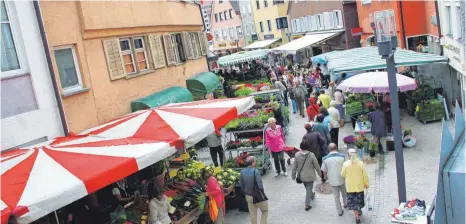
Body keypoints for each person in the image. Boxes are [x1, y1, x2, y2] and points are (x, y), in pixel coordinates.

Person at [292, 140, 322, 211]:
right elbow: (316, 165)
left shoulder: (297, 155)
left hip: (301, 176)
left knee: (307, 187)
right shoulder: (311, 155)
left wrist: (293, 175)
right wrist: (320, 174)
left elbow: (294, 167)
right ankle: (307, 204)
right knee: (309, 188)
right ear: (308, 147)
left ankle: (311, 194)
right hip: (310, 176)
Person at [341, 148, 369, 224]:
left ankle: (357, 217)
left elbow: (342, 174)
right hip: (359, 187)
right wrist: (367, 184)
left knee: (353, 203)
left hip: (350, 187)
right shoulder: (361, 163)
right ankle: (359, 210)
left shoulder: (345, 164)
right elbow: (365, 176)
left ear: (348, 155)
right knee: (359, 200)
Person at [239, 156, 268, 224]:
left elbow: (242, 186)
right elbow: (260, 186)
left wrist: (245, 194)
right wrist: (262, 194)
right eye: (254, 161)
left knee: (253, 214)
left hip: (248, 196)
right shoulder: (256, 171)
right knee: (265, 211)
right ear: (252, 163)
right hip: (257, 196)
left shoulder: (242, 172)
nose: (255, 162)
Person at [321, 143, 347, 216]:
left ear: (329, 149)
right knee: (344, 193)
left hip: (332, 180)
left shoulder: (325, 159)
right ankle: (346, 204)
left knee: (336, 196)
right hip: (342, 178)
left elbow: (324, 171)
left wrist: (326, 178)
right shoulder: (342, 157)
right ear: (336, 148)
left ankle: (339, 211)